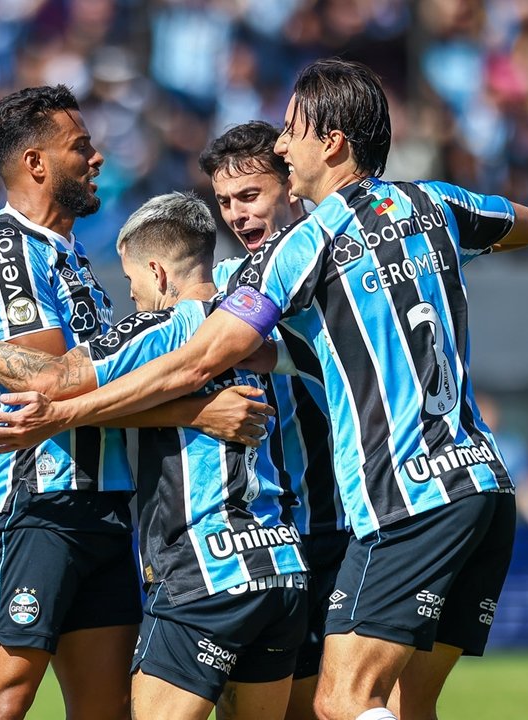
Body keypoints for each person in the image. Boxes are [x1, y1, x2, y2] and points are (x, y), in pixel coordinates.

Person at [0, 59, 528, 720]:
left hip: (388, 502)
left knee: (344, 703)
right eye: (226, 202)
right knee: (402, 703)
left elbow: (194, 361)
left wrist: (58, 405)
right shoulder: (431, 204)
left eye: (289, 138)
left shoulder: (292, 256)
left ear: (327, 148)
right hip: (467, 488)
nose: (283, 147)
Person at [0, 84, 270, 720]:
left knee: (107, 708)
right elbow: (48, 383)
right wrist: (190, 412)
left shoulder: (71, 256)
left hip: (104, 507)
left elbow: (102, 387)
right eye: (81, 147)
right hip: (36, 502)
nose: (96, 158)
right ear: (36, 163)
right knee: (1, 701)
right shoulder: (10, 248)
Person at [200, 121, 351, 720]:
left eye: (249, 196)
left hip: (339, 529)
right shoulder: (221, 290)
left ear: (290, 185)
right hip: (260, 539)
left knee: (343, 701)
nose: (236, 215)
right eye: (224, 202)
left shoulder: (337, 271)